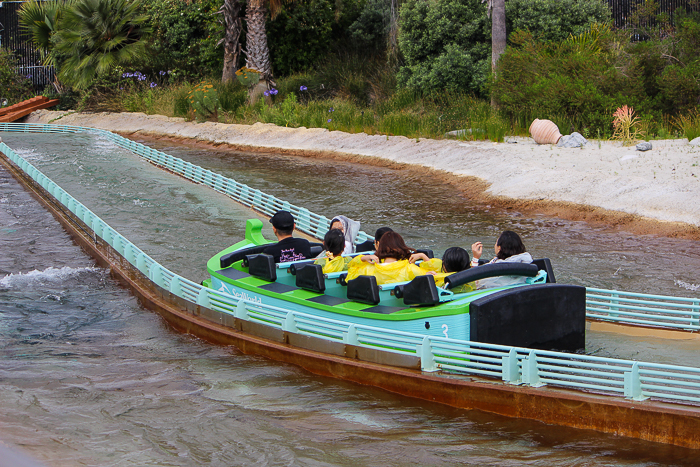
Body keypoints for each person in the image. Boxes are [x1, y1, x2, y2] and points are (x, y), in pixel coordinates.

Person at [346, 231, 430, 285]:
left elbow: (351, 271)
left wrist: (362, 258)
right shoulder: (410, 269)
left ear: (380, 246)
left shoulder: (369, 269)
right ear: (401, 246)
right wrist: (423, 256)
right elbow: (435, 279)